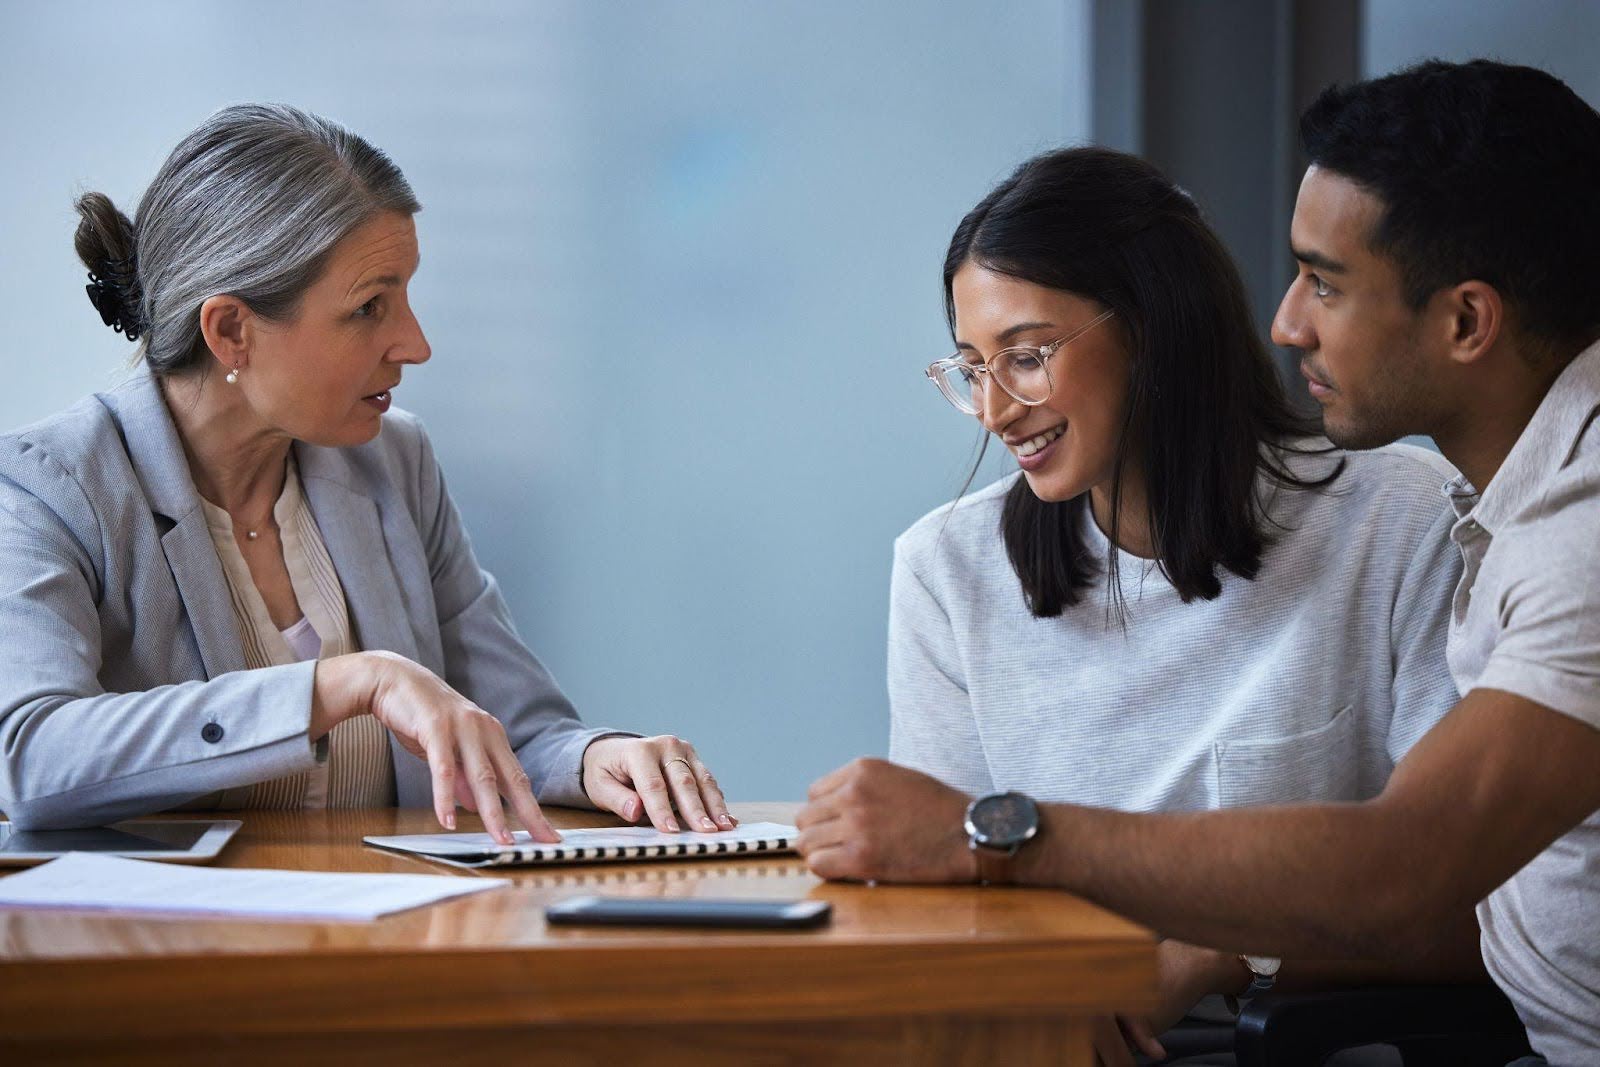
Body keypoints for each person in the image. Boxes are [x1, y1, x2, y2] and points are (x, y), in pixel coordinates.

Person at [797, 60, 1600, 1065]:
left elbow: (1418, 876)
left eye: (1323, 280)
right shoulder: (1521, 514)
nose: (1287, 323)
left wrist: (1001, 836)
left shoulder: (1498, 529)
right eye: (970, 367)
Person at [0, 104, 733, 845]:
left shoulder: (395, 462)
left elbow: (515, 728)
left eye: (406, 297)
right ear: (230, 331)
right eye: (368, 307)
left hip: (390, 942)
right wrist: (345, 683)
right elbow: (31, 758)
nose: (414, 343)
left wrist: (595, 758)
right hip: (179, 954)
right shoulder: (51, 489)